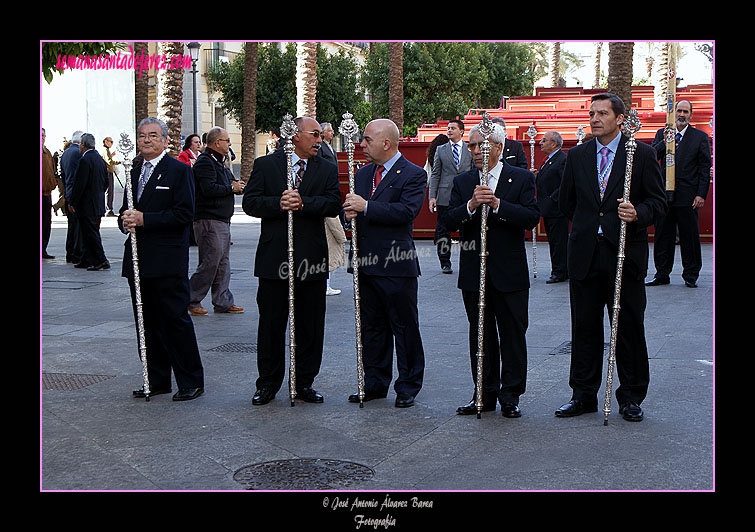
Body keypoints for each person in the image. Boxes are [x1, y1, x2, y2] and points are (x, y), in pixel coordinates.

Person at [555, 93, 666, 422]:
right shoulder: (577, 156)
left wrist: (637, 213)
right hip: (586, 254)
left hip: (624, 256)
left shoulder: (641, 154)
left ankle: (631, 396)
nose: (595, 118)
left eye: (603, 113)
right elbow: (566, 203)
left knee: (629, 327)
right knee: (584, 327)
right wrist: (592, 225)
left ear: (620, 119)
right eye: (592, 113)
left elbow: (658, 203)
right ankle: (583, 394)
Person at [442, 122, 539, 418]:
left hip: (509, 272)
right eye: (471, 146)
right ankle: (482, 392)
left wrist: (498, 204)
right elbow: (447, 221)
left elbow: (532, 217)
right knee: (480, 335)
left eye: (481, 145)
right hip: (474, 272)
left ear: (498, 147)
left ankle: (511, 395)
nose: (475, 151)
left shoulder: (520, 179)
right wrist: (471, 205)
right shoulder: (463, 182)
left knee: (512, 334)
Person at [242, 116, 341, 406]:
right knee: (271, 324)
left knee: (310, 325)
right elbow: (250, 202)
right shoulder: (266, 165)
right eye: (314, 134)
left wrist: (304, 203)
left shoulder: (326, 167)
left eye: (321, 136)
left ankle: (304, 382)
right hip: (274, 259)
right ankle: (268, 383)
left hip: (311, 258)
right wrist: (277, 204)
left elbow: (334, 202)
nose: (319, 140)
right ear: (295, 136)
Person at [343, 118, 427, 408]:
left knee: (403, 327)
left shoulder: (413, 174)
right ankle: (374, 382)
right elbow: (351, 211)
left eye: (367, 139)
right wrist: (349, 214)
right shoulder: (363, 174)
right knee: (372, 328)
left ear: (386, 143)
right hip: (365, 264)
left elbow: (405, 212)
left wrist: (365, 207)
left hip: (395, 265)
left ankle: (407, 386)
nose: (362, 144)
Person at [120, 117, 205, 401]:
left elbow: (184, 214)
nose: (146, 140)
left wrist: (146, 219)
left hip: (167, 260)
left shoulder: (179, 171)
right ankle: (156, 380)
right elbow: (126, 212)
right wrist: (126, 221)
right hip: (137, 260)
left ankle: (191, 380)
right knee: (146, 322)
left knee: (174, 320)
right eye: (142, 135)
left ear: (165, 141)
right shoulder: (134, 173)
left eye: (153, 136)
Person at [646, 100, 711, 288]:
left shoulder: (699, 137)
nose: (681, 115)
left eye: (685, 111)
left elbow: (704, 167)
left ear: (691, 115)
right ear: (673, 113)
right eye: (679, 111)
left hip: (688, 196)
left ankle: (691, 275)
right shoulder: (662, 133)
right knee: (662, 236)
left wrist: (701, 194)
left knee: (689, 236)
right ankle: (661, 273)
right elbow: (652, 157)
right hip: (664, 195)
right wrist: (666, 141)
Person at [188, 127, 245, 316]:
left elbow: (227, 184)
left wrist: (238, 186)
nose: (229, 144)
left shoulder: (219, 162)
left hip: (221, 219)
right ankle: (191, 299)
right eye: (227, 140)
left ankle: (222, 301)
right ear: (216, 142)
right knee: (210, 262)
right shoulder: (205, 162)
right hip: (208, 220)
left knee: (222, 263)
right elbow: (209, 189)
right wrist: (231, 187)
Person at [428, 119, 472, 274]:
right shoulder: (441, 150)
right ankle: (445, 262)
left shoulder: (471, 148)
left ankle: (468, 261)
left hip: (465, 195)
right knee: (443, 230)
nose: (449, 130)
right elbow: (435, 174)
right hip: (445, 195)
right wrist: (432, 196)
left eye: (453, 128)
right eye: (448, 128)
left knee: (467, 229)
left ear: (462, 131)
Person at [69, 133, 110, 271]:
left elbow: (80, 184)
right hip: (97, 203)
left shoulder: (85, 160)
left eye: (81, 144)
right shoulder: (99, 159)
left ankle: (101, 260)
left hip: (87, 204)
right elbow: (106, 182)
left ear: (83, 145)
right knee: (89, 232)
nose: (80, 146)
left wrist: (72, 202)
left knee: (91, 233)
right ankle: (86, 259)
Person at [535, 130, 569, 283]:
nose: (540, 143)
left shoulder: (561, 160)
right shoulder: (549, 160)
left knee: (558, 241)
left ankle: (559, 271)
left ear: (554, 143)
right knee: (554, 240)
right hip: (548, 208)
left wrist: (552, 199)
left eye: (544, 140)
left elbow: (564, 184)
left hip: (556, 209)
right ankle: (560, 268)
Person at [60, 130, 84, 265]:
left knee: (72, 226)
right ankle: (76, 254)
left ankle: (70, 252)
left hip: (68, 191)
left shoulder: (67, 152)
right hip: (75, 194)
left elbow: (63, 175)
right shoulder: (78, 153)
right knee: (77, 227)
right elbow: (78, 176)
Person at [42, 128, 57, 259]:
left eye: (43, 135)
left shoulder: (47, 153)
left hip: (47, 193)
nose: (42, 138)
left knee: (46, 223)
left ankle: (43, 249)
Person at [325, 215, 347, 295]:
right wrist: (342, 238)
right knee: (330, 262)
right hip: (330, 237)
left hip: (326, 235)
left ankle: (326, 286)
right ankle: (326, 287)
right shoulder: (330, 210)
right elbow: (334, 224)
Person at [101, 136, 121, 216]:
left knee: (108, 191)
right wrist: (120, 162)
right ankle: (109, 209)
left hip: (106, 172)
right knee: (110, 191)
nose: (112, 144)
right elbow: (109, 162)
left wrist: (111, 155)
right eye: (111, 142)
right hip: (108, 172)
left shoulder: (106, 150)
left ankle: (107, 209)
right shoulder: (106, 150)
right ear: (106, 142)